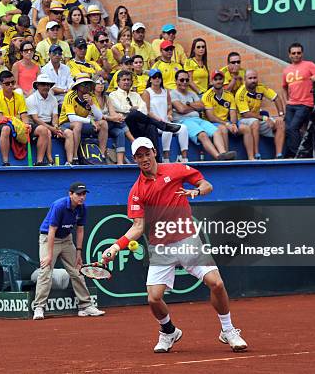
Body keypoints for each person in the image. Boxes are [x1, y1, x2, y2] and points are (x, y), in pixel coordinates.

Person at [102, 137, 248, 353]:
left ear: (154, 152)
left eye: (147, 153)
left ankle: (228, 330)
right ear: (135, 159)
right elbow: (138, 226)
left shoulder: (176, 169)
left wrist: (196, 192)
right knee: (153, 298)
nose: (144, 158)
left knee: (216, 283)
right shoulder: (136, 191)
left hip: (187, 239)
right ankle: (169, 331)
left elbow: (206, 184)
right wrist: (116, 246)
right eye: (139, 156)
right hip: (161, 247)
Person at [33, 181, 105, 320]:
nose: (82, 197)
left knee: (77, 270)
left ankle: (85, 306)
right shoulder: (59, 206)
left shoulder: (82, 208)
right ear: (70, 194)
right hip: (49, 238)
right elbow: (51, 230)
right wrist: (49, 255)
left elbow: (80, 230)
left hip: (66, 239)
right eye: (79, 194)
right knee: (46, 271)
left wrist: (78, 253)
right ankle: (39, 307)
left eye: (84, 194)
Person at [109, 70, 180, 162]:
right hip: (126, 125)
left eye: (128, 80)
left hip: (140, 125)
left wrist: (134, 110)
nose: (126, 82)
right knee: (133, 113)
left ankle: (156, 159)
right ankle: (163, 125)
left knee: (152, 126)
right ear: (118, 82)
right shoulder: (113, 95)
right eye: (124, 80)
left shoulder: (136, 95)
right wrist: (132, 109)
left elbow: (144, 110)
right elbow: (119, 107)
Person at [170, 70, 236, 161]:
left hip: (198, 119)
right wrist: (194, 106)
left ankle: (223, 153)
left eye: (186, 80)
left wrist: (188, 104)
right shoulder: (172, 93)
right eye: (181, 80)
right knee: (202, 134)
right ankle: (218, 156)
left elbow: (201, 106)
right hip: (184, 121)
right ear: (176, 81)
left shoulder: (192, 93)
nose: (184, 82)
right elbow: (181, 109)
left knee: (216, 131)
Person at [282, 42, 315, 157]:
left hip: (305, 104)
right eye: (293, 53)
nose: (296, 55)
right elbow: (284, 87)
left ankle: (297, 154)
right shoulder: (286, 70)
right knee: (288, 130)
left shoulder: (309, 65)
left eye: (298, 53)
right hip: (291, 105)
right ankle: (296, 154)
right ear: (289, 55)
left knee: (293, 128)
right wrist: (286, 101)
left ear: (302, 54)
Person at [203, 69, 254, 160]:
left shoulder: (229, 95)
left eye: (220, 79)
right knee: (223, 129)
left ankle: (251, 157)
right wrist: (227, 124)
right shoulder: (207, 96)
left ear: (223, 80)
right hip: (213, 123)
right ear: (211, 81)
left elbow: (233, 113)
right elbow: (211, 117)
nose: (218, 81)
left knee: (246, 129)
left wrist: (233, 124)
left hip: (228, 122)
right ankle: (226, 156)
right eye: (216, 79)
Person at [58, 74, 107, 165]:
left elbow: (99, 117)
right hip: (66, 124)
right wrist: (90, 121)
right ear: (78, 86)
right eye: (84, 84)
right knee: (77, 124)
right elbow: (71, 117)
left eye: (88, 84)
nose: (87, 86)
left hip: (83, 123)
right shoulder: (70, 96)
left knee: (103, 123)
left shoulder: (91, 96)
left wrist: (91, 104)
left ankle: (102, 154)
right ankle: (75, 156)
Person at [0, 70, 31, 166]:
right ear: (1, 84)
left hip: (17, 124)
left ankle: (40, 162)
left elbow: (24, 115)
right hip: (0, 124)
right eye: (7, 83)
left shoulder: (19, 97)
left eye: (13, 83)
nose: (11, 85)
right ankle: (5, 161)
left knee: (42, 130)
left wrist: (26, 124)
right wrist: (14, 121)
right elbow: (0, 118)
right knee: (6, 128)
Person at [237, 69, 286, 159]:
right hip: (243, 120)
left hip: (258, 118)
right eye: (250, 78)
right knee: (255, 122)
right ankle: (257, 154)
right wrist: (265, 118)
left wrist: (281, 115)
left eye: (255, 78)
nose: (253, 80)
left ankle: (278, 155)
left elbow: (276, 98)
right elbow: (246, 114)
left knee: (280, 124)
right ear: (245, 80)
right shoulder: (240, 93)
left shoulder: (261, 88)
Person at [143, 69, 188, 163]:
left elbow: (169, 107)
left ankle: (184, 158)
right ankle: (166, 158)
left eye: (159, 76)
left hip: (165, 121)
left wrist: (169, 114)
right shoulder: (147, 92)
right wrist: (157, 119)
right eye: (154, 77)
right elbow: (146, 111)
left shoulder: (166, 91)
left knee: (183, 128)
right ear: (150, 79)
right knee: (168, 130)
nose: (157, 79)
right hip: (154, 123)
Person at [26, 74, 65, 166]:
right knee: (46, 131)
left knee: (69, 133)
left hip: (49, 124)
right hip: (34, 125)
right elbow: (35, 119)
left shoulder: (53, 99)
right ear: (37, 86)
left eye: (48, 85)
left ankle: (72, 160)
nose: (46, 87)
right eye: (43, 84)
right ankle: (44, 160)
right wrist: (53, 129)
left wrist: (55, 126)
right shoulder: (31, 99)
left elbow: (55, 116)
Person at [94, 77, 130, 165]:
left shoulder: (106, 97)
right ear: (93, 85)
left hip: (108, 125)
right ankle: (132, 139)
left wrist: (118, 117)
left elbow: (112, 113)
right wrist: (113, 118)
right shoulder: (91, 98)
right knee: (110, 122)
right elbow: (97, 116)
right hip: (96, 125)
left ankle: (120, 162)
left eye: (103, 83)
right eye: (98, 83)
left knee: (120, 132)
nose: (101, 85)